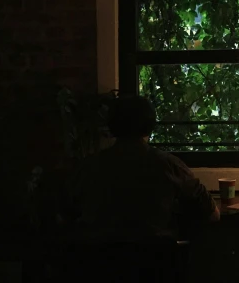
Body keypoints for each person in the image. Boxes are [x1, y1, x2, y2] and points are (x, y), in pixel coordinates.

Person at [72, 95, 220, 242]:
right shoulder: (168, 165)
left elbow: (66, 213)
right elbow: (212, 214)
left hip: (98, 263)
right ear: (150, 125)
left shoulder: (88, 166)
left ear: (111, 124)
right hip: (155, 262)